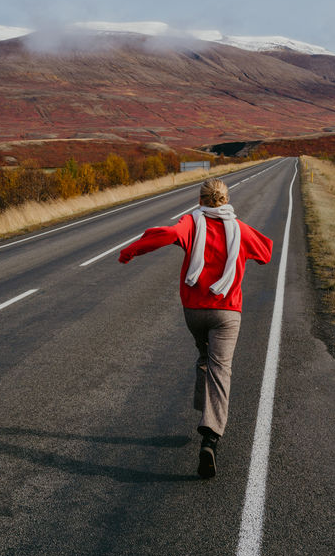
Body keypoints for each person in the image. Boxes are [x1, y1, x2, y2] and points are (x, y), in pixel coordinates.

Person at [117, 176, 273, 479]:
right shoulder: (239, 229)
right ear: (226, 201)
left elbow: (165, 234)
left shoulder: (191, 223)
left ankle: (204, 408)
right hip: (227, 311)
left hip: (194, 312)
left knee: (206, 358)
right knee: (220, 368)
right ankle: (210, 436)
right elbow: (265, 253)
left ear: (200, 200)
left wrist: (131, 250)